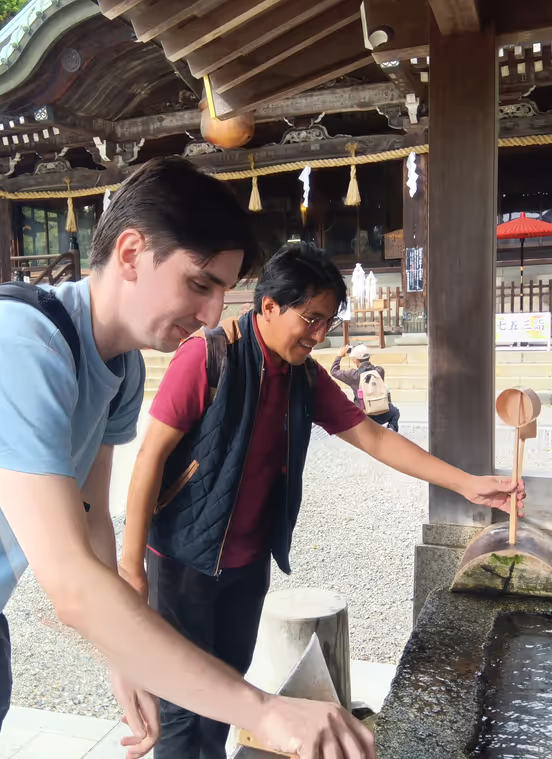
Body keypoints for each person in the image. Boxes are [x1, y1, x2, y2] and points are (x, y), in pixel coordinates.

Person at [0, 158, 375, 759]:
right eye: (200, 284)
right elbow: (70, 583)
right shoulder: (14, 346)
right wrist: (265, 713)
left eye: (223, 290)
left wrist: (125, 654)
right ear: (133, 253)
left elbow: (90, 525)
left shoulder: (121, 366)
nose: (212, 314)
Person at [119, 242, 524, 759]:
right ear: (269, 307)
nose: (318, 335)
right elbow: (149, 458)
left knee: (227, 687)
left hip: (247, 560)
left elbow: (374, 438)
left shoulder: (304, 376)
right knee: (181, 706)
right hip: (182, 560)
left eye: (327, 323)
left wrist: (466, 483)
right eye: (310, 319)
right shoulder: (207, 356)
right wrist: (131, 568)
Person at [330, 344, 400, 431]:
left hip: (363, 416)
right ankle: (391, 428)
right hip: (383, 412)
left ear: (355, 360)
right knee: (395, 412)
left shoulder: (353, 375)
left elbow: (334, 371)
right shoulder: (379, 371)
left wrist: (339, 356)